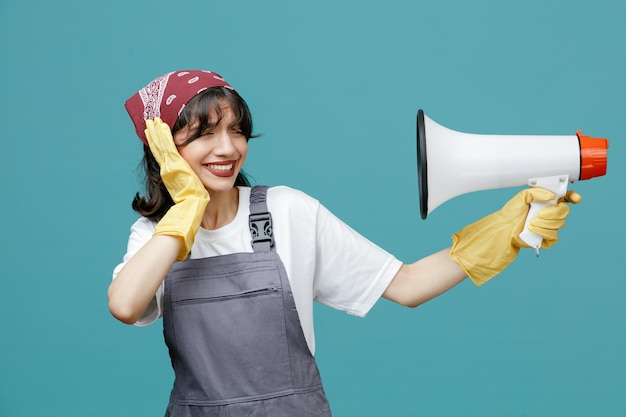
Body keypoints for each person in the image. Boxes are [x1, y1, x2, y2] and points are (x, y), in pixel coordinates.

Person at [108, 69, 580, 416]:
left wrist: (504, 232)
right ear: (166, 150)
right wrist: (186, 209)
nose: (228, 148)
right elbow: (127, 305)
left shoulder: (287, 212)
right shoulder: (155, 238)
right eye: (205, 134)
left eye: (237, 130)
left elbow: (408, 285)